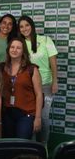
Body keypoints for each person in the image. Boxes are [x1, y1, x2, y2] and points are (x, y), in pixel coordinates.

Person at [18, 15, 58, 145]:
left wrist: (55, 81)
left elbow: (53, 62)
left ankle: (44, 145)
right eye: (21, 26)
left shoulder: (46, 40)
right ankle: (33, 146)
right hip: (28, 87)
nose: (25, 29)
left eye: (27, 25)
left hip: (45, 85)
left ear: (32, 26)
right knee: (31, 117)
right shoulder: (20, 43)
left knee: (44, 118)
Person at [1, 37, 43, 139]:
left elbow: (39, 95)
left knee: (22, 144)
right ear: (8, 49)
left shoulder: (32, 69)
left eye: (18, 48)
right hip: (7, 114)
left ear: (23, 51)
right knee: (8, 145)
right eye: (12, 47)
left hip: (26, 114)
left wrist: (38, 118)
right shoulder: (1, 67)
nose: (14, 50)